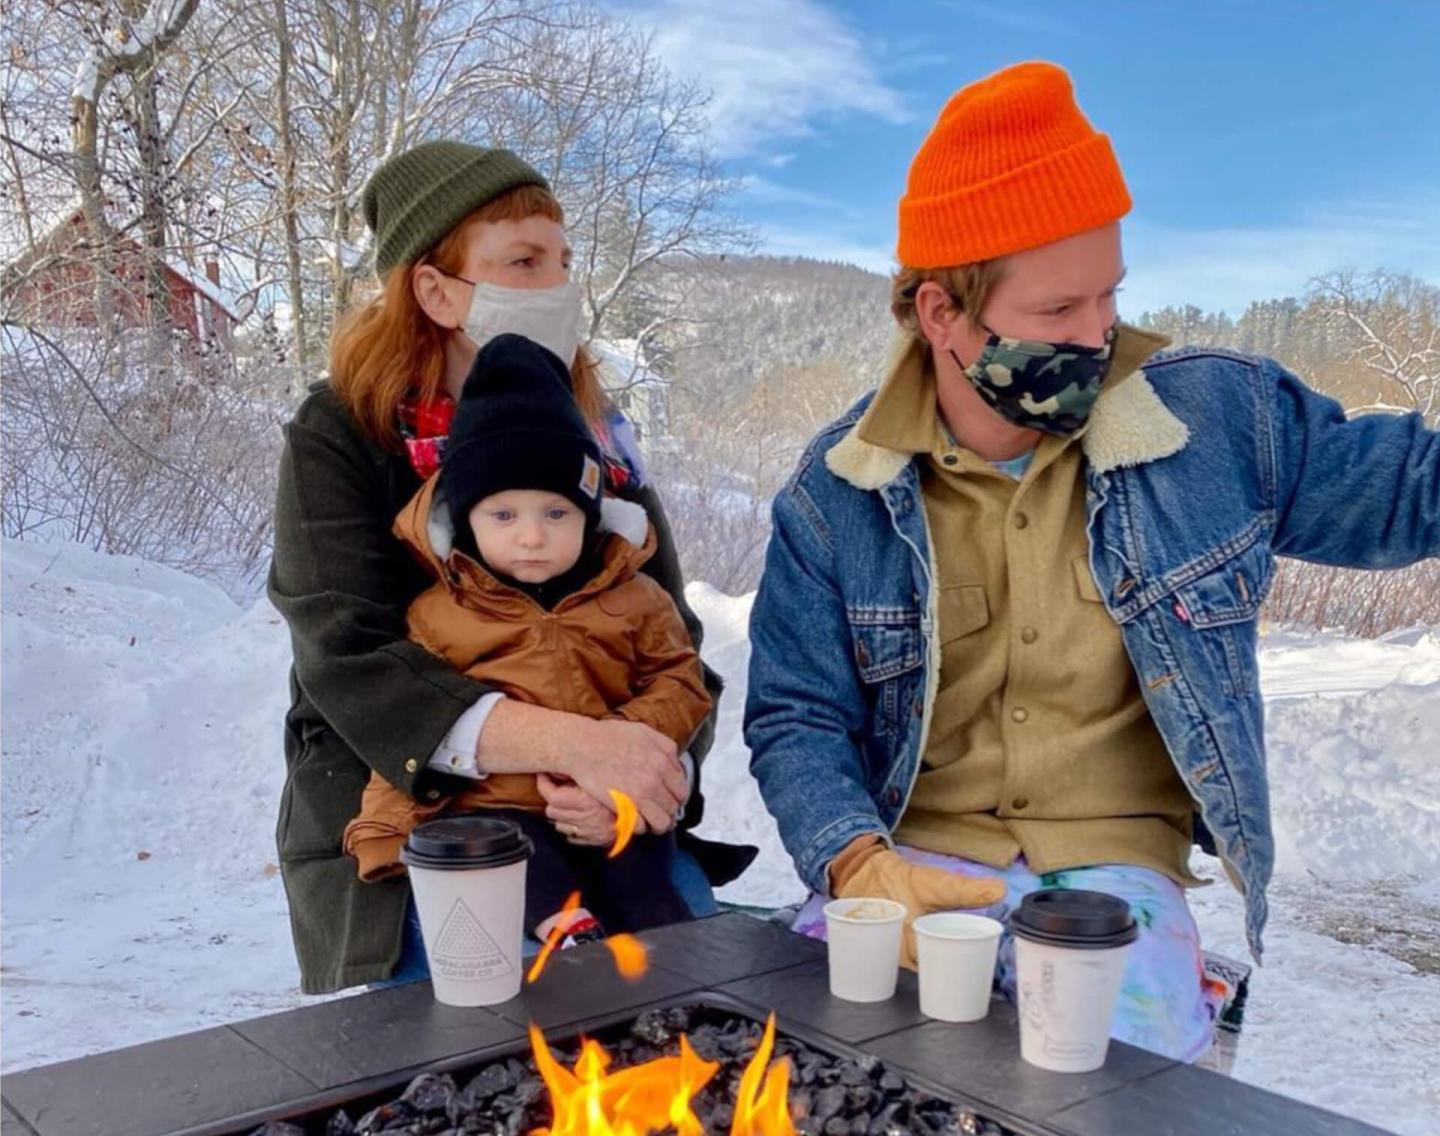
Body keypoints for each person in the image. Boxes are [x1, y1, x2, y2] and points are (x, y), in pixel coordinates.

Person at [744, 61, 1440, 1063]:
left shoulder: (1218, 422)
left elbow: (1408, 488)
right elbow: (796, 714)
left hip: (1115, 879)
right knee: (812, 1075)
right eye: (1057, 312)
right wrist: (857, 864)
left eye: (1108, 296)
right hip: (910, 862)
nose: (1097, 336)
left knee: (1105, 1092)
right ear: (941, 314)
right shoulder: (835, 493)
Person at [269, 140, 751, 994]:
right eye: (524, 262)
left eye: (563, 262)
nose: (558, 287)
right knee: (496, 1028)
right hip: (419, 811)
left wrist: (641, 773)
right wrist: (578, 744)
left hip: (599, 819)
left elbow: (672, 637)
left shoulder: (594, 433)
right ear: (435, 290)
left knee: (688, 994)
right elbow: (346, 655)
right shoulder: (342, 432)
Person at [342, 333, 712, 945]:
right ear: (467, 519)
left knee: (645, 878)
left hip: (610, 796)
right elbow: (416, 717)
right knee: (507, 859)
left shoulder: (636, 597)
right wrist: (385, 825)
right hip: (501, 805)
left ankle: (672, 969)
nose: (533, 537)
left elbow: (680, 681)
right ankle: (568, 934)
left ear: (589, 514)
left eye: (556, 513)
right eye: (504, 515)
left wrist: (624, 744)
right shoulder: (440, 615)